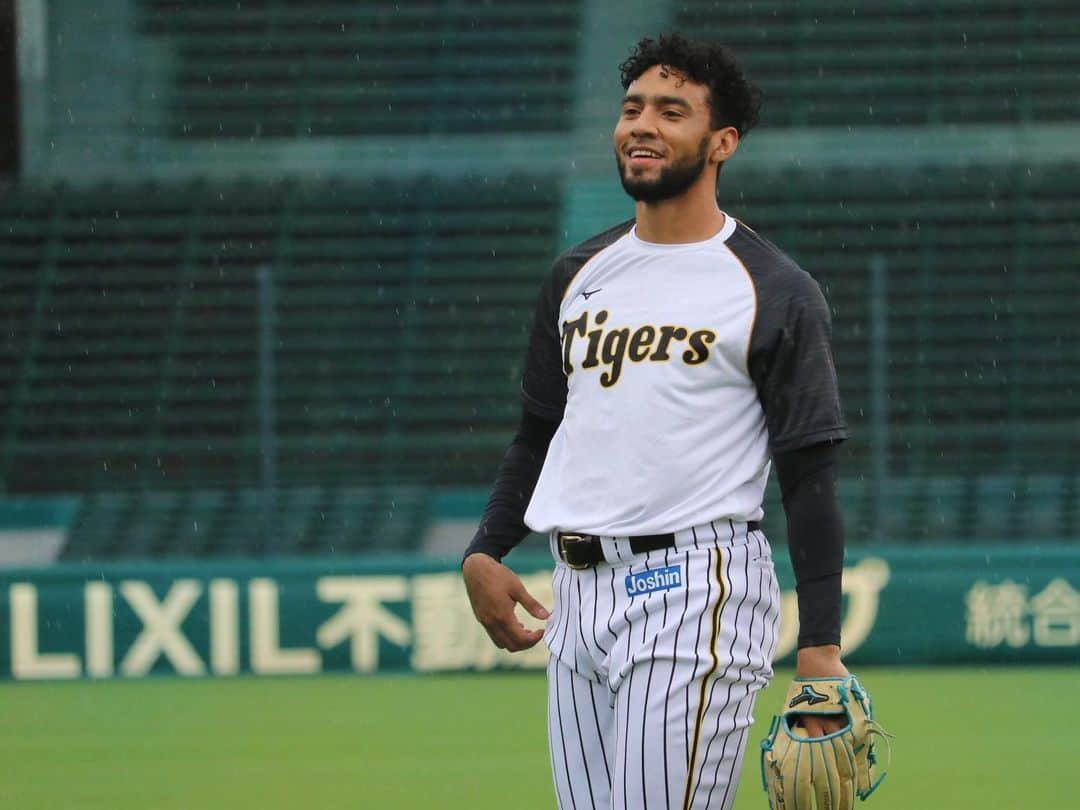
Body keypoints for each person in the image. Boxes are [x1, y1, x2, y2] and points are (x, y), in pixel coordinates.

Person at [462, 32, 850, 810]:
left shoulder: (773, 288)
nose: (642, 124)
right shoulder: (577, 275)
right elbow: (540, 431)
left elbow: (809, 473)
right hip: (575, 597)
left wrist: (819, 649)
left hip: (695, 592)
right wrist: (487, 549)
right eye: (633, 107)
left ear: (721, 143)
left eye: (673, 111)